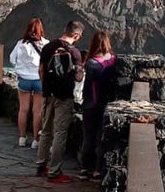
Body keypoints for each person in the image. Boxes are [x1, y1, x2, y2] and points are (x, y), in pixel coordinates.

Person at [36, 20, 85, 183]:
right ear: (76, 35)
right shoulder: (75, 52)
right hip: (64, 97)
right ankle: (55, 171)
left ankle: (41, 165)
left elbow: (41, 70)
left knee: (46, 130)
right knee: (60, 133)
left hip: (48, 94)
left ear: (65, 29)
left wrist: (46, 87)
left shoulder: (48, 47)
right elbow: (78, 77)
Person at [77, 31, 118, 180]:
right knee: (101, 138)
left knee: (88, 137)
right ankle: (98, 170)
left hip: (91, 104)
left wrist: (83, 101)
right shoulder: (113, 60)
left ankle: (85, 168)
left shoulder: (91, 62)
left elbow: (87, 87)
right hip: (106, 104)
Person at [9, 18, 48, 149]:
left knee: (23, 110)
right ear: (40, 29)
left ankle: (22, 137)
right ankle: (36, 140)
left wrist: (20, 69)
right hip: (39, 80)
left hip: (24, 80)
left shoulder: (21, 44)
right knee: (37, 111)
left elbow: (11, 59)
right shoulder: (46, 44)